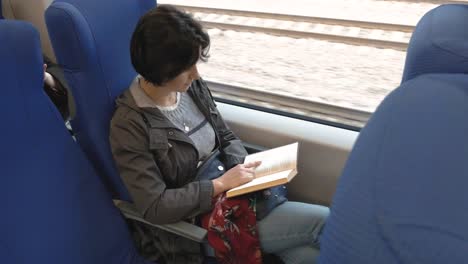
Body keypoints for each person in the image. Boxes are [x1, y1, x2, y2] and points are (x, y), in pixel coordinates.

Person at [110, 5, 329, 264]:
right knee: (323, 222)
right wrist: (220, 185)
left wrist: (244, 170)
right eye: (186, 67)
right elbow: (155, 205)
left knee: (309, 256)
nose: (196, 74)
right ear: (161, 69)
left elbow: (224, 136)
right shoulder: (129, 126)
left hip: (236, 195)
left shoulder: (191, 88)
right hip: (198, 225)